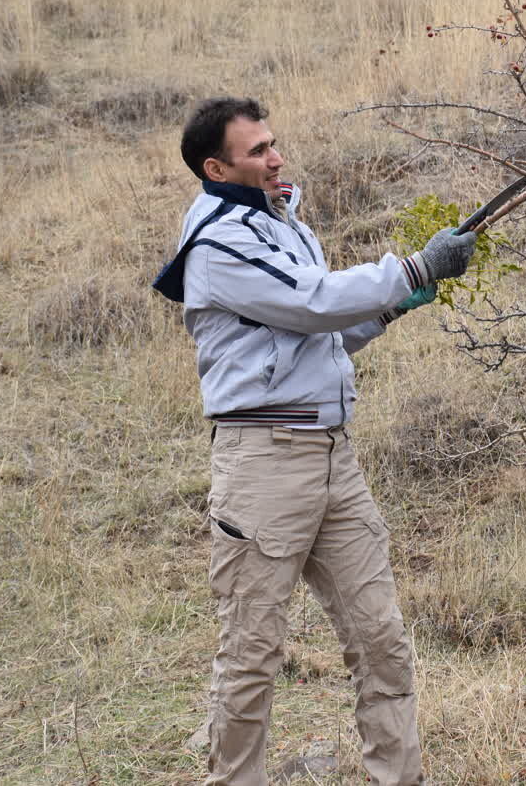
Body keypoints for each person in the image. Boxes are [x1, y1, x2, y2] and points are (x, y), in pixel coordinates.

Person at [153, 96, 476, 786]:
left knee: (381, 640)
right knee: (252, 652)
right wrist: (414, 268)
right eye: (257, 151)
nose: (275, 158)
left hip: (333, 456)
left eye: (274, 143)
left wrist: (393, 303)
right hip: (264, 464)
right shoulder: (218, 242)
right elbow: (313, 301)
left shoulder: (281, 223)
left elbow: (319, 328)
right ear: (217, 167)